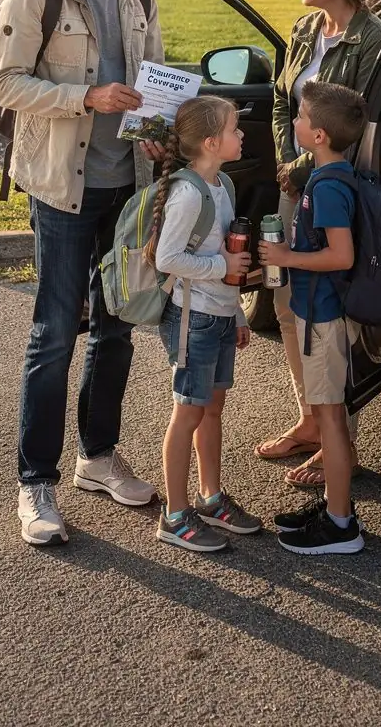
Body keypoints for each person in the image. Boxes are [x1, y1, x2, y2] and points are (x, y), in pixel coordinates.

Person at [0, 0, 164, 547]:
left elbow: (154, 75)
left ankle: (98, 458)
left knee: (117, 330)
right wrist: (85, 98)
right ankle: (35, 483)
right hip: (61, 188)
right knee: (55, 334)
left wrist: (162, 126)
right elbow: (5, 84)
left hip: (127, 188)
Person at [255, 0, 381, 488]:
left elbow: (357, 126)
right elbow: (281, 100)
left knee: (332, 318)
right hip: (295, 185)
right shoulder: (305, 29)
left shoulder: (373, 40)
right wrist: (286, 161)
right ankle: (311, 419)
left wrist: (303, 169)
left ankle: (341, 441)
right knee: (288, 304)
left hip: (335, 189)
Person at [259, 80, 368, 554]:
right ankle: (334, 507)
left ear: (319, 136)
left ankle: (341, 526)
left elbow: (341, 255)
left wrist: (287, 257)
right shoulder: (331, 175)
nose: (295, 122)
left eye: (301, 117)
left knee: (330, 419)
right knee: (329, 415)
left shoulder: (327, 188)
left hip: (323, 318)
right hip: (319, 313)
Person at [151, 96, 262, 552]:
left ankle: (210, 497)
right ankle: (175, 515)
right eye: (235, 129)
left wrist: (236, 312)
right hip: (192, 319)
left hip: (218, 314)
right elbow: (168, 258)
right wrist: (222, 266)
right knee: (188, 413)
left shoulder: (224, 185)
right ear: (212, 142)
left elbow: (225, 255)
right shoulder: (189, 194)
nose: (242, 135)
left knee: (212, 409)